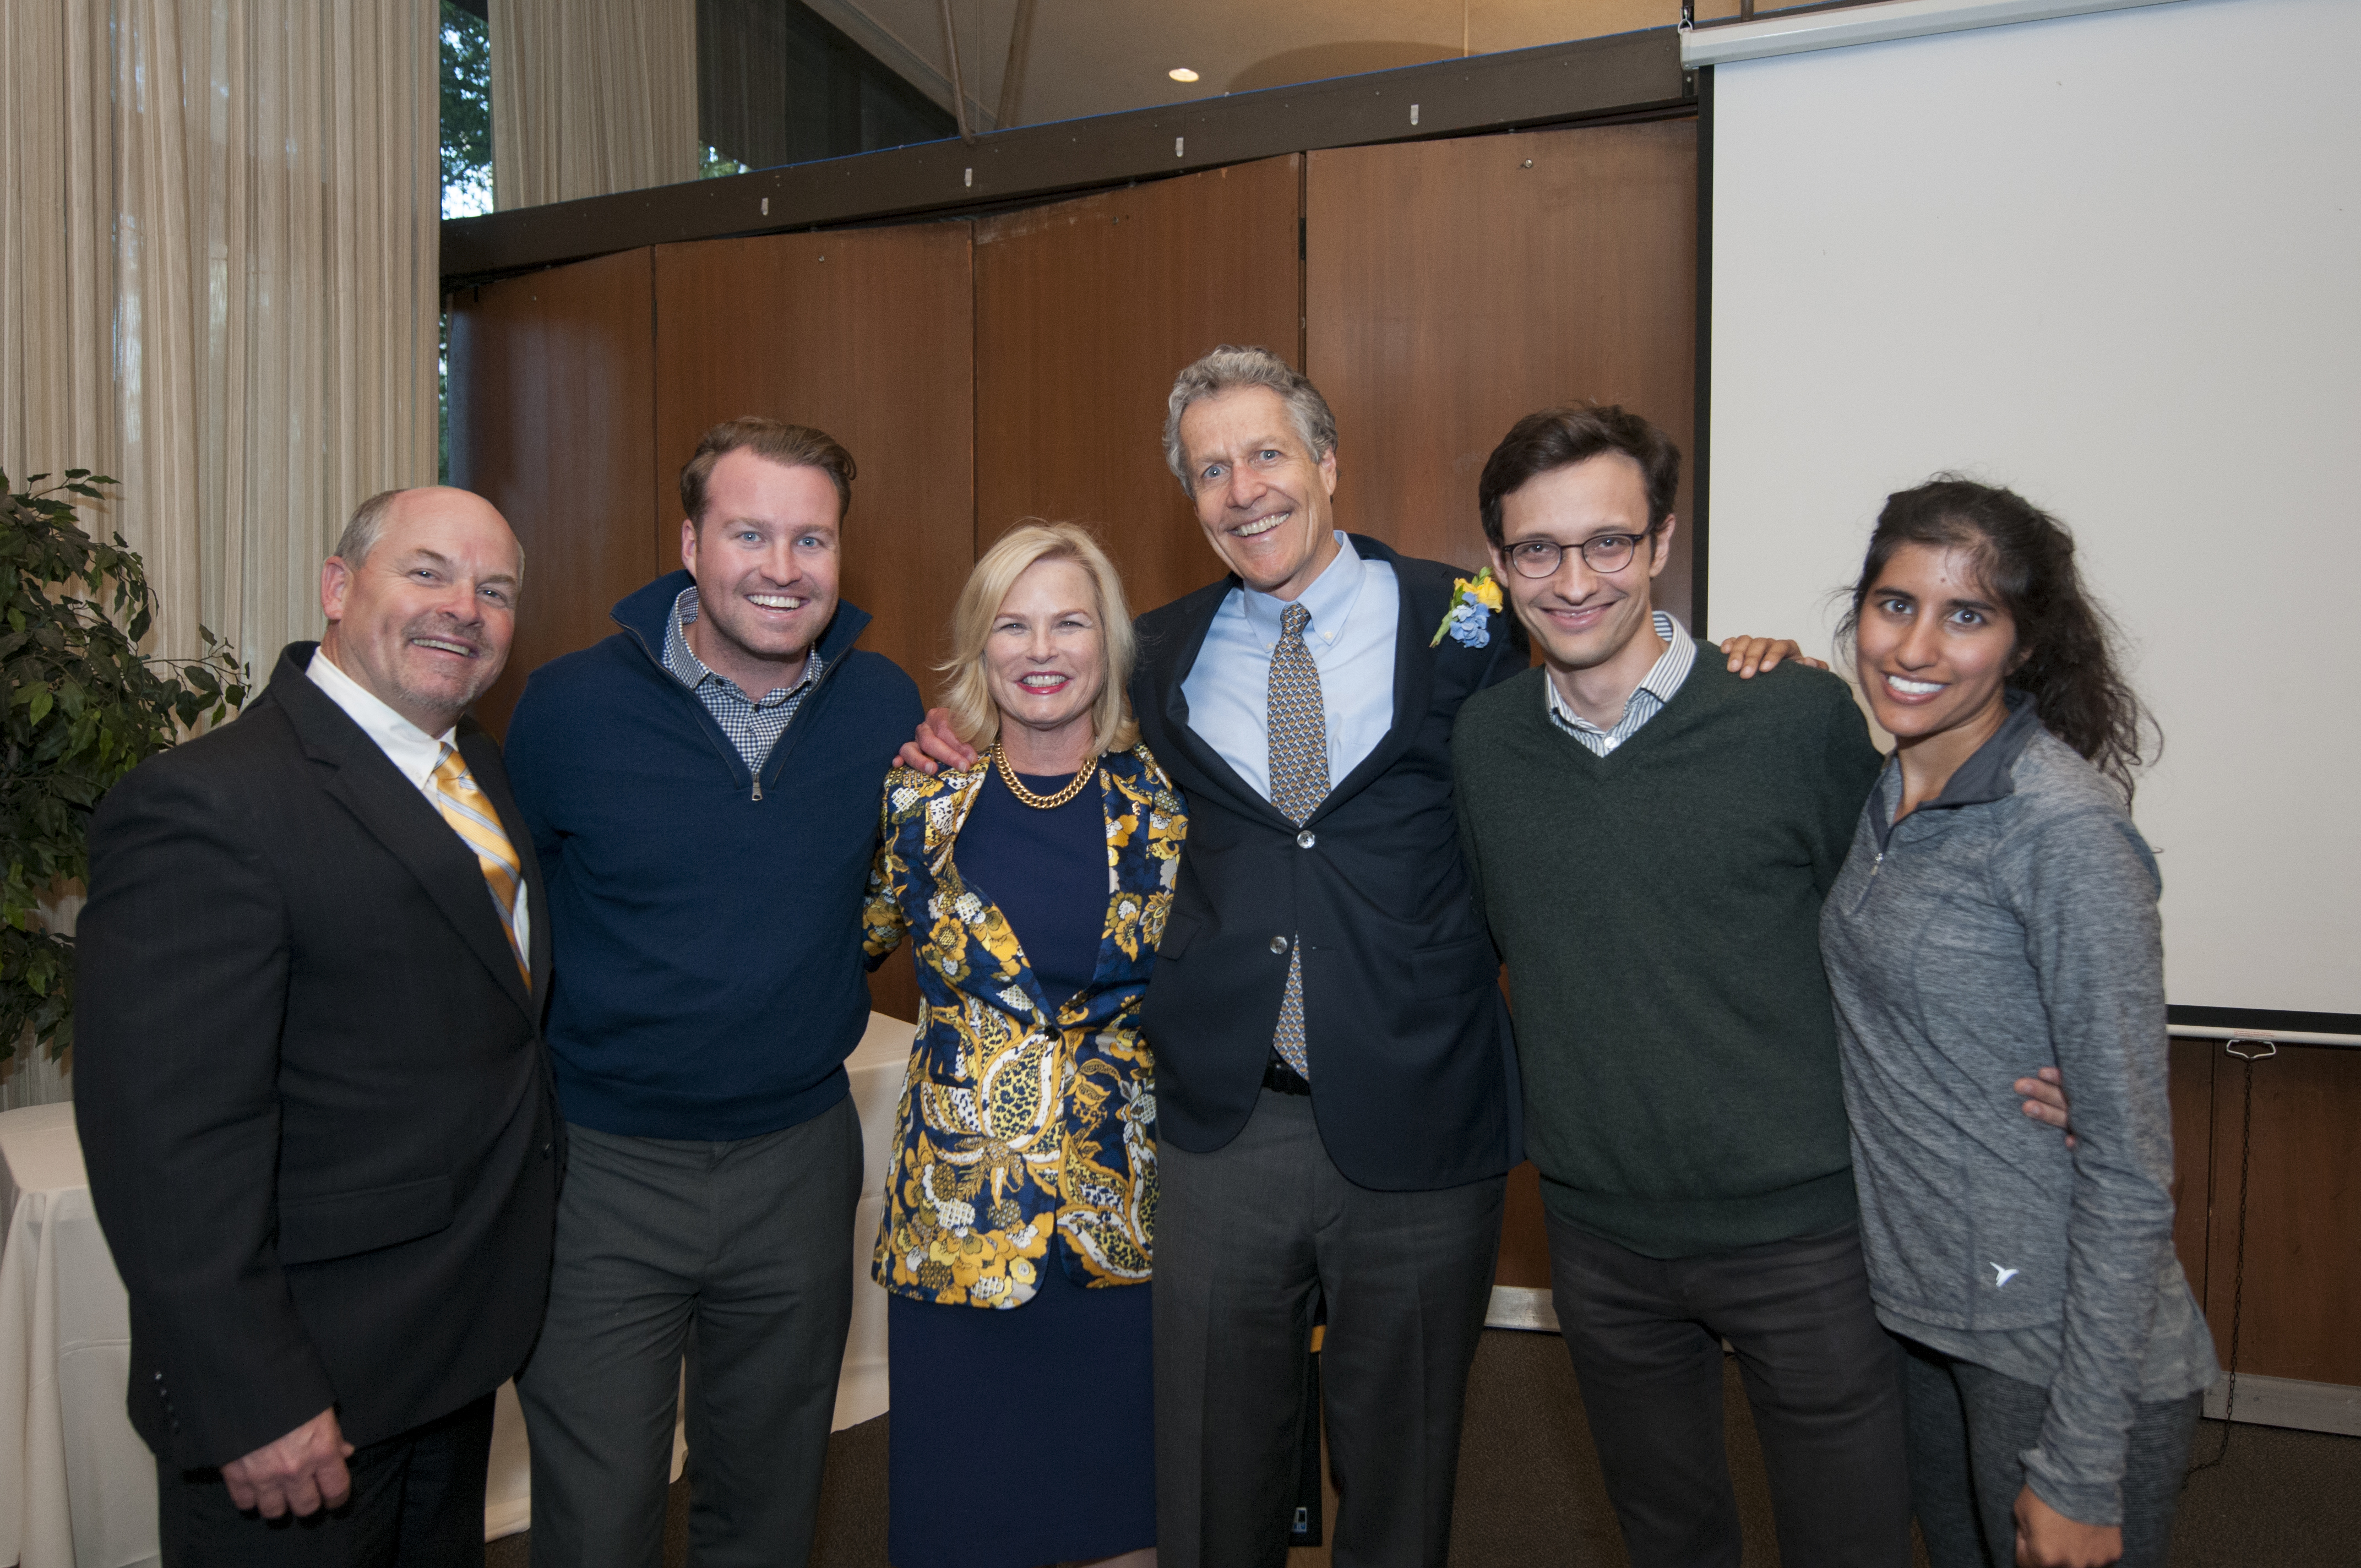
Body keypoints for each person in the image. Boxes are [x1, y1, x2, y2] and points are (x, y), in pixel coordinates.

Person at [902, 350, 1813, 1567]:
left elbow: (1601, 678)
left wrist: (1737, 664)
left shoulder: (1473, 620)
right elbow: (1045, 711)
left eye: (1266, 454)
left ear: (1326, 465)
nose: (1243, 489)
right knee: (1214, 1471)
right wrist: (954, 738)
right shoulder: (1155, 653)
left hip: (1421, 1113)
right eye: (1210, 469)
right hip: (1223, 1120)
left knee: (1402, 1467)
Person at [1451, 403, 1931, 1567]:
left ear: (1660, 541)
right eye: (1536, 550)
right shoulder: (1486, 743)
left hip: (1804, 1227)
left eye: (1607, 541)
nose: (1573, 580)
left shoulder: (1792, 713)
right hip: (1600, 1235)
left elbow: (1901, 940)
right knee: (1667, 1534)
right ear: (1499, 563)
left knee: (1851, 1535)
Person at [75, 486, 557, 1565]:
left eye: (495, 589)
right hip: (304, 1391)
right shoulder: (206, 804)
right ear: (339, 588)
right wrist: (250, 1392)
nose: (464, 608)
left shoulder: (474, 770)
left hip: (446, 1347)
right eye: (426, 571)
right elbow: (168, 1142)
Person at [502, 418, 923, 1568]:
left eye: (810, 538)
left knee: (770, 1492)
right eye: (749, 532)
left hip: (796, 1155)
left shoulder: (885, 709)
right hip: (602, 1169)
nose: (781, 568)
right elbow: (500, 932)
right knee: (597, 1511)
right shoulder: (564, 708)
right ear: (689, 542)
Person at [1821, 478, 2216, 1568]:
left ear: (2022, 644)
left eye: (1966, 614)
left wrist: (2081, 1463)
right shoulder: (1889, 786)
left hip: (2049, 1341)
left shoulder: (2059, 827)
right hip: (1920, 1315)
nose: (1915, 645)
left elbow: (2132, 1171)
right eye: (1892, 603)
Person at [862, 522, 1179, 1568]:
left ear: (1109, 645)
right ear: (979, 646)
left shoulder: (1172, 807)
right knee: (968, 1523)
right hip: (962, 1216)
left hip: (1121, 1216)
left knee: (1122, 1515)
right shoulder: (916, 800)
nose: (1042, 650)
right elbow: (831, 945)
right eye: (1013, 624)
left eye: (1070, 622)